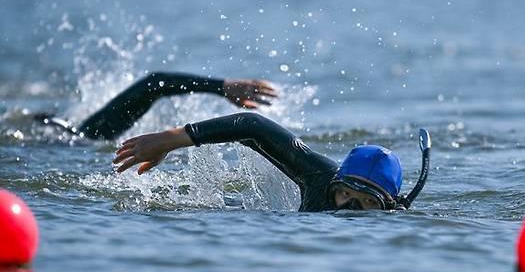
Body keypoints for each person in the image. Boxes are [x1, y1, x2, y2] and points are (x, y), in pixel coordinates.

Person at [113, 112, 432, 212]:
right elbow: (253, 126)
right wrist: (171, 139)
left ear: (388, 207)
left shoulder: (396, 224)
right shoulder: (319, 177)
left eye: (365, 203)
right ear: (336, 184)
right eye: (346, 195)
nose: (347, 210)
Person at [35, 71, 278, 140]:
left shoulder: (87, 134)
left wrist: (221, 87)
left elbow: (155, 83)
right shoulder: (90, 136)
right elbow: (155, 83)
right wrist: (221, 86)